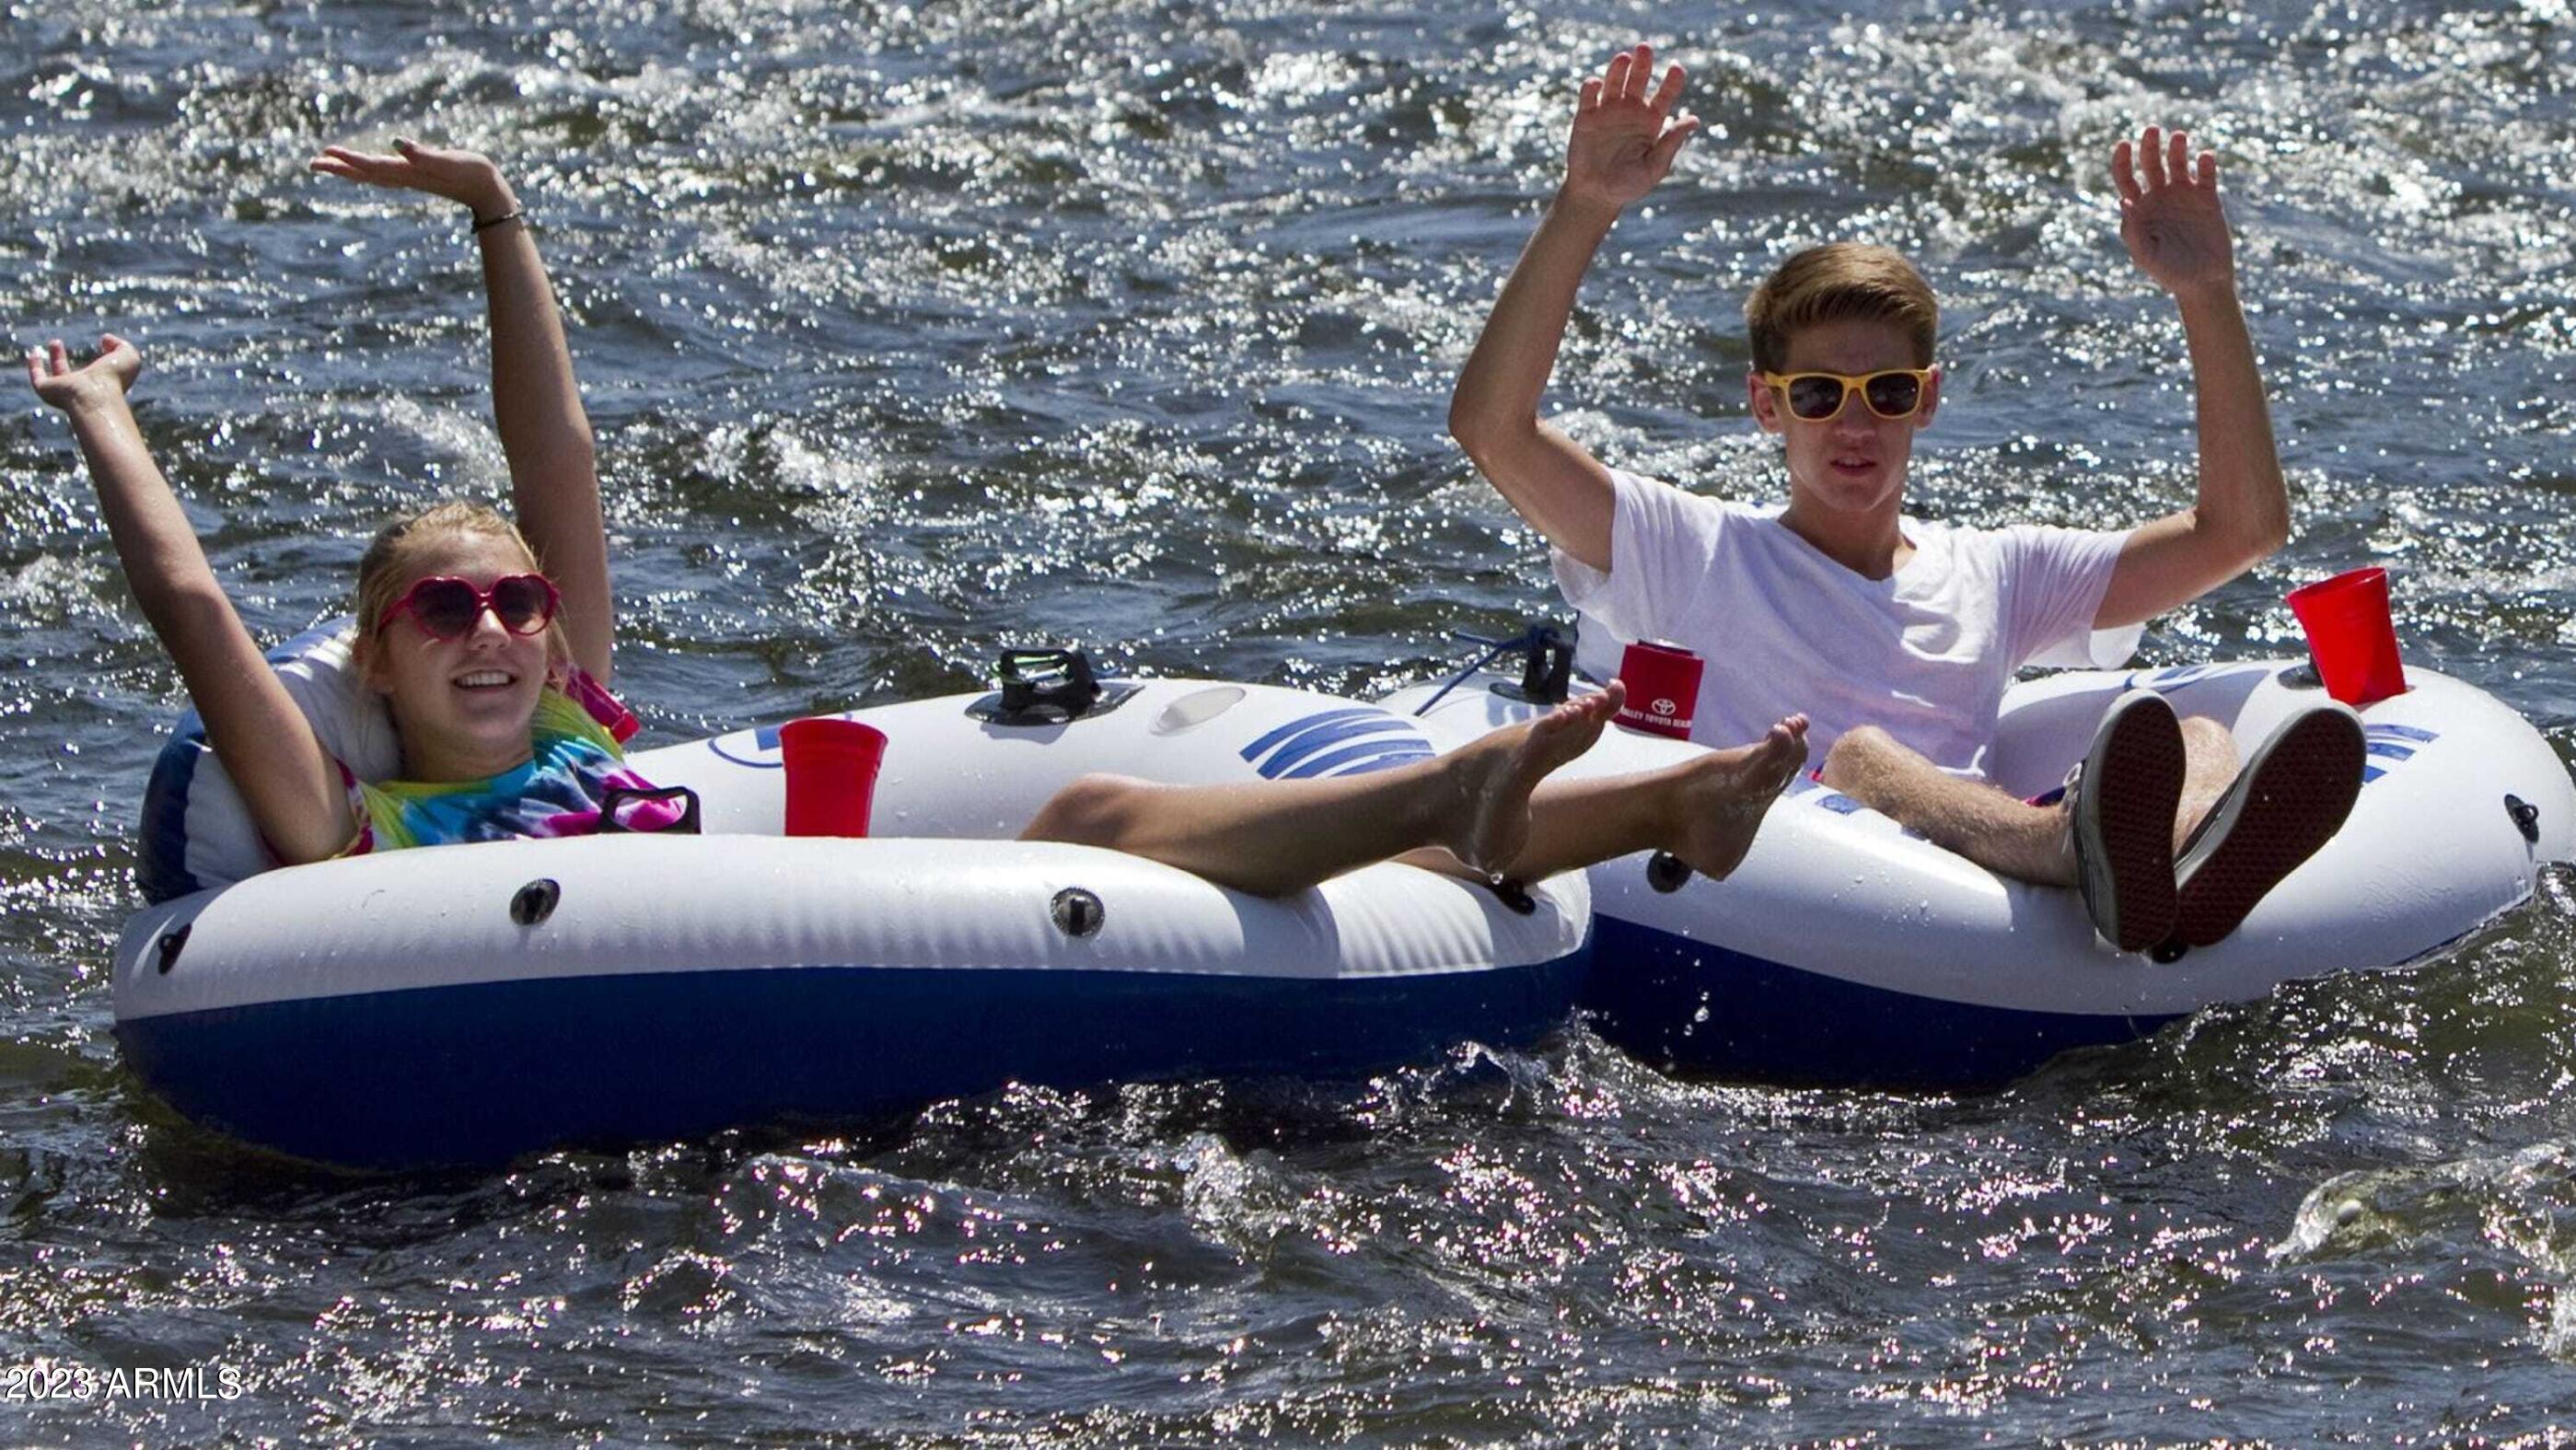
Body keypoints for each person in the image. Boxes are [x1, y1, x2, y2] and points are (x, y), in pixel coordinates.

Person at [28, 141, 1813, 900]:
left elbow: (551, 445)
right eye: (444, 615)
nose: (496, 629)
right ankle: (1472, 793)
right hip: (642, 969)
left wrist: (501, 215)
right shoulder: (347, 813)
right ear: (374, 656)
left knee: (1138, 814)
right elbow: (192, 609)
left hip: (789, 906)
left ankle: (1632, 804)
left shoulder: (577, 708)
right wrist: (109, 416)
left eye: (513, 601)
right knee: (1094, 813)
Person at [1446, 45, 2365, 955]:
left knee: (2198, 733)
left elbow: (2241, 531)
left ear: (1925, 399)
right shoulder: (1690, 547)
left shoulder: (1997, 571)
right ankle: (2076, 852)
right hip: (1788, 898)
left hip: (1968, 912)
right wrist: (1584, 206)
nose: (1855, 425)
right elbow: (1494, 430)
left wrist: (2208, 293)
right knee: (1858, 756)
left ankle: (2171, 867)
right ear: (1769, 406)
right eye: (1818, 396)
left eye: (1886, 393)